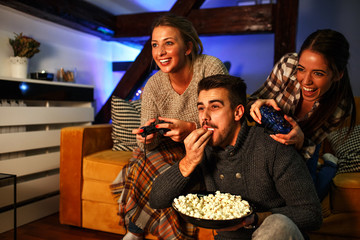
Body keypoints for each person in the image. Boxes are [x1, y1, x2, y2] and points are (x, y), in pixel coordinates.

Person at [150, 74, 322, 240]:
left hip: (275, 234)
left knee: (277, 224)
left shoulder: (272, 147)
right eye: (201, 108)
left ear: (238, 112)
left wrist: (256, 218)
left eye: (214, 107)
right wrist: (188, 162)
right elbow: (156, 199)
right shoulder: (203, 152)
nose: (205, 117)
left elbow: (311, 213)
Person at [110, 13, 228, 240]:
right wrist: (147, 137)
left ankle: (134, 232)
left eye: (169, 43)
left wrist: (191, 127)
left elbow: (226, 121)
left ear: (187, 47)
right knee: (144, 158)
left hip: (209, 148)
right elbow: (147, 142)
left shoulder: (210, 67)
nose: (160, 52)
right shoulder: (154, 84)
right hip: (169, 150)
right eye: (155, 45)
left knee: (147, 170)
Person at [247, 29, 356, 201]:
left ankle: (330, 166)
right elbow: (251, 101)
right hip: (266, 143)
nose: (306, 81)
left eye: (318, 73)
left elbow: (309, 146)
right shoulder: (288, 64)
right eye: (302, 69)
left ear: (337, 75)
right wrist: (255, 104)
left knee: (312, 197)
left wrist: (300, 141)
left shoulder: (341, 107)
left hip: (306, 144)